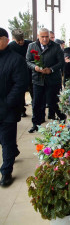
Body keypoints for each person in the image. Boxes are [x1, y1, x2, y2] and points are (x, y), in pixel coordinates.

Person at [0, 28, 29, 186]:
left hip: (8, 108)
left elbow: (20, 84)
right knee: (4, 140)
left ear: (5, 40)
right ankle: (13, 150)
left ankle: (6, 171)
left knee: (6, 140)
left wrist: (8, 103)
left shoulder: (16, 59)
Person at [26, 28, 66, 133]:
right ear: (38, 36)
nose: (44, 39)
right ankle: (35, 124)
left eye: (47, 37)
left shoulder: (56, 47)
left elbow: (61, 62)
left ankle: (61, 116)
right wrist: (35, 67)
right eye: (42, 36)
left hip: (52, 80)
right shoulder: (32, 46)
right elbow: (28, 61)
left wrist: (51, 69)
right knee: (36, 103)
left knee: (53, 102)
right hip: (38, 80)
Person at [8, 29, 33, 117]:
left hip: (31, 72)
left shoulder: (30, 44)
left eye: (22, 40)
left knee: (34, 92)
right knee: (20, 93)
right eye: (18, 41)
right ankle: (22, 110)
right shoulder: (10, 46)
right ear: (13, 39)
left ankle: (36, 109)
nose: (21, 42)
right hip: (18, 73)